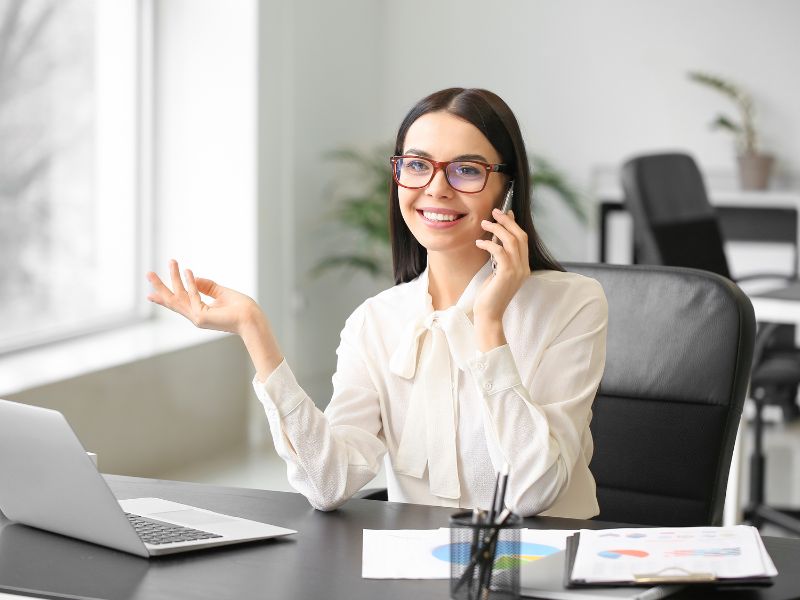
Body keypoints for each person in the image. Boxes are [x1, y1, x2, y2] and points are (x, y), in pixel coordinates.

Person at [146, 88, 608, 518]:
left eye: (467, 169)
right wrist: (254, 330)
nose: (437, 188)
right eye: (417, 165)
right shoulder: (377, 321)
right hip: (422, 571)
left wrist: (489, 325)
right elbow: (328, 482)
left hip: (540, 571)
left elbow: (532, 492)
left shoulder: (573, 304)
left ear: (508, 188)